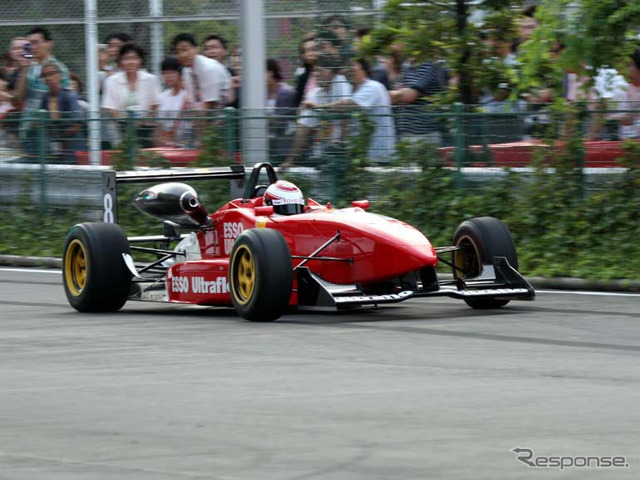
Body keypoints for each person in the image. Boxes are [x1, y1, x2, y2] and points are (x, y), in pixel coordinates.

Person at [312, 58, 396, 162]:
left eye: (352, 66)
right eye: (345, 68)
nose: (347, 70)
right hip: (365, 154)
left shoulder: (372, 87)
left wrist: (318, 107)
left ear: (363, 68)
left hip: (379, 154)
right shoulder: (355, 91)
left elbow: (348, 105)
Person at [282, 54, 352, 169]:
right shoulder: (314, 94)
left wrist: (318, 107)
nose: (317, 74)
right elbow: (303, 129)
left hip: (344, 154)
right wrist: (290, 161)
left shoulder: (341, 84)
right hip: (322, 155)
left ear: (333, 72)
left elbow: (345, 106)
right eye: (315, 71)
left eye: (321, 70)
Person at [15, 27, 70, 161]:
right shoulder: (29, 68)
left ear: (49, 44)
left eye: (36, 42)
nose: (32, 47)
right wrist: (23, 70)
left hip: (48, 134)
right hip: (28, 131)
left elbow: (61, 100)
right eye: (29, 44)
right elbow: (17, 99)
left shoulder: (58, 69)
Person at [102, 43, 161, 148]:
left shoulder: (151, 79)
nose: (130, 62)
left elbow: (155, 104)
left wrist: (143, 122)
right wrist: (126, 123)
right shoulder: (111, 81)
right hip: (120, 129)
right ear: (120, 62)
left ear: (141, 61)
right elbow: (110, 109)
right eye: (126, 58)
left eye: (134, 58)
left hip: (144, 130)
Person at [389, 52, 447, 143]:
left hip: (425, 134)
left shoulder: (432, 64)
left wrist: (380, 94)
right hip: (406, 132)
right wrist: (400, 95)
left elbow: (408, 96)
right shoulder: (407, 64)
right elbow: (399, 92)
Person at [39, 61, 85, 163]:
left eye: (52, 73)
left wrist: (60, 138)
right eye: (45, 75)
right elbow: (41, 123)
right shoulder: (45, 99)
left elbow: (77, 124)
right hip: (55, 147)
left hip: (73, 144)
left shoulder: (70, 95)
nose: (48, 78)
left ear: (59, 75)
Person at [172, 33, 230, 110]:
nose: (182, 55)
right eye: (177, 52)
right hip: (204, 114)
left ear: (197, 49)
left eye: (185, 50)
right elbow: (193, 102)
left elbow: (209, 105)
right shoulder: (186, 71)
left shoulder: (209, 68)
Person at [266, 58, 296, 164]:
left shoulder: (286, 93)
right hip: (266, 142)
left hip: (282, 143)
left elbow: (282, 121)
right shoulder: (262, 92)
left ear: (271, 73)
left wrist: (268, 121)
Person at [156, 56, 189, 146]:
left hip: (185, 143)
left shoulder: (188, 95)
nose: (168, 76)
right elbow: (159, 124)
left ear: (179, 73)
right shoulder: (162, 96)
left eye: (171, 72)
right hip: (166, 143)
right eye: (164, 73)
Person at [202, 34, 238, 107]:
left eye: (214, 47)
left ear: (225, 51)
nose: (211, 51)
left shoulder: (233, 75)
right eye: (207, 48)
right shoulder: (200, 75)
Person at [294, 34, 318, 107]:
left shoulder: (330, 73)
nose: (309, 53)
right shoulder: (303, 78)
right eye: (306, 51)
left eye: (313, 49)